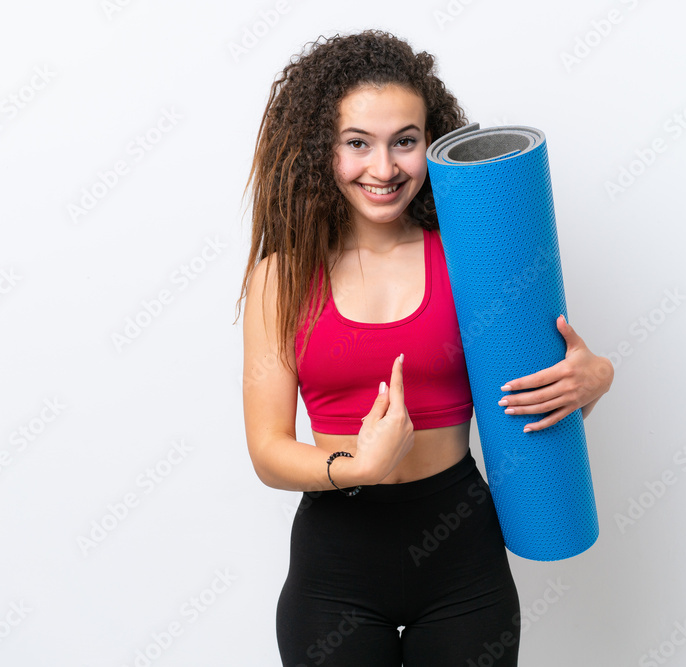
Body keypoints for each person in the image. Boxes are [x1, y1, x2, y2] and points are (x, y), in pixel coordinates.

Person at [237, 29, 613, 667]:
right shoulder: (283, 275)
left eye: (403, 142)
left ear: (430, 143)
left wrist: (594, 379)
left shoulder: (472, 261)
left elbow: (531, 399)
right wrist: (357, 467)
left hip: (462, 557)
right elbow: (268, 452)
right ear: (321, 150)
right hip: (336, 571)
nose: (383, 169)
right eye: (358, 143)